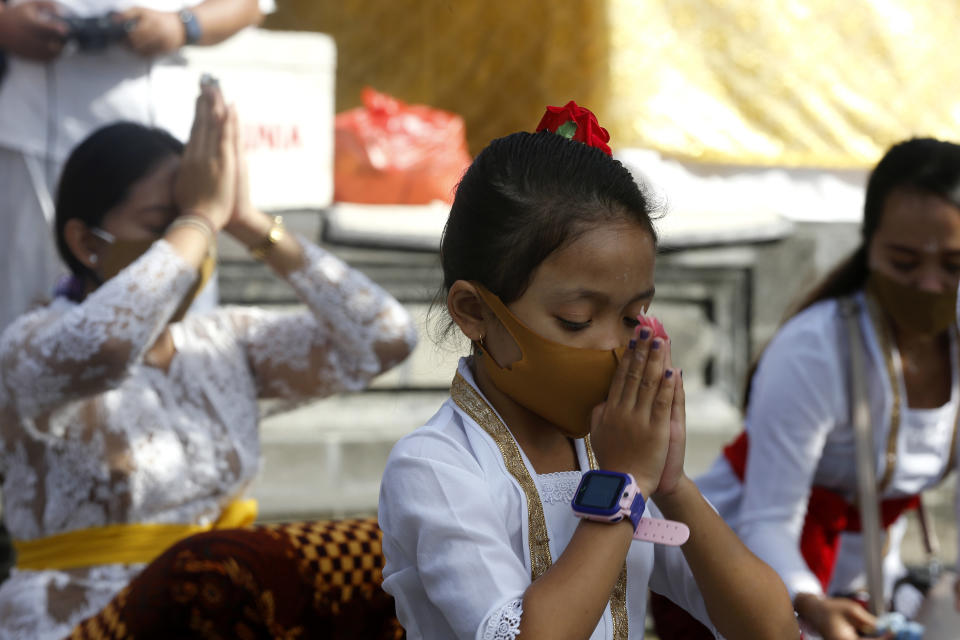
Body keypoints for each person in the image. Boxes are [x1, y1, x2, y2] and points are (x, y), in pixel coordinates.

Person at [0, 81, 417, 639]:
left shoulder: (223, 340)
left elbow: (386, 336)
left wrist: (247, 221)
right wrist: (197, 218)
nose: (195, 246)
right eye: (162, 225)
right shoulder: (35, 346)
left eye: (201, 224)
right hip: (81, 620)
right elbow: (108, 347)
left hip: (219, 613)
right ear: (86, 243)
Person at [376, 101, 800, 639]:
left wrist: (671, 483)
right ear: (476, 312)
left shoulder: (612, 446)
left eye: (631, 317)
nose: (613, 347)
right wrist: (619, 488)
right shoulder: (437, 467)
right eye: (577, 321)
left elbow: (771, 630)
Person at [651, 138, 960, 640]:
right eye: (904, 263)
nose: (929, 286)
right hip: (742, 566)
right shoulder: (815, 350)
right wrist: (810, 604)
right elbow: (768, 520)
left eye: (953, 266)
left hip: (864, 583)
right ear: (870, 243)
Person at [0, 0, 271, 331]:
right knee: (25, 319)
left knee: (174, 318)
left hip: (161, 158)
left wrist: (183, 25)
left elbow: (251, 5)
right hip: (29, 144)